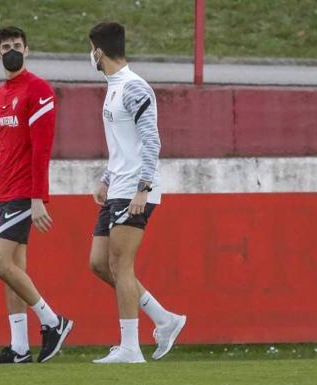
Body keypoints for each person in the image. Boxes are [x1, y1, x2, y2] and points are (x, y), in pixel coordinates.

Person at [0, 26, 73, 364]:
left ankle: (54, 321)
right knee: (13, 270)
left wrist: (38, 198)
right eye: (6, 46)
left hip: (24, 193)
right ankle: (20, 348)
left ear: (28, 50)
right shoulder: (0, 95)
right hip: (3, 194)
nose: (12, 50)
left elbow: (42, 148)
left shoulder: (38, 90)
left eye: (17, 45)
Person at [87, 22, 186, 364]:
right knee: (100, 264)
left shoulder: (133, 87)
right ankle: (164, 319)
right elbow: (122, 144)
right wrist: (105, 178)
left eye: (90, 50)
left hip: (135, 190)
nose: (90, 57)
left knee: (120, 264)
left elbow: (151, 141)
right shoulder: (113, 86)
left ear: (98, 51)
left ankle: (130, 348)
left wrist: (143, 188)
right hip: (118, 186)